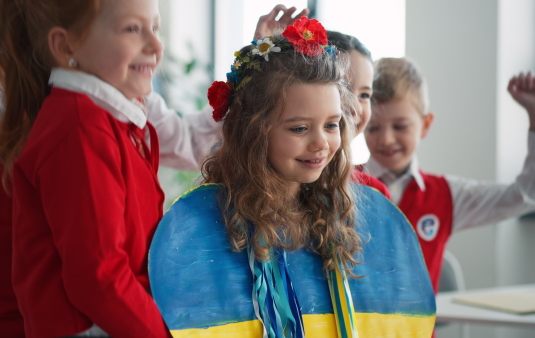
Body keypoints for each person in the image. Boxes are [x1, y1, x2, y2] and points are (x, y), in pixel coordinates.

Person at [0, 4, 306, 336]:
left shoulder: (121, 93)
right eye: (133, 28)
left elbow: (191, 140)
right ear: (63, 44)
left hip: (102, 316)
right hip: (22, 314)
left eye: (154, 28)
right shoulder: (26, 94)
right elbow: (99, 277)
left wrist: (251, 71)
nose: (156, 46)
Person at [149, 18, 436, 337]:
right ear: (254, 132)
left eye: (331, 125)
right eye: (299, 128)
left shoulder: (354, 215)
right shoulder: (205, 227)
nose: (321, 144)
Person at [363, 57, 535, 292]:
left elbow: (525, 196)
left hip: (421, 330)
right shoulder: (342, 184)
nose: (386, 139)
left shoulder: (446, 194)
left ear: (425, 125)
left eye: (400, 126)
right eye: (373, 127)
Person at [326, 31, 390, 198]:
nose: (355, 107)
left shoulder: (375, 193)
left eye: (364, 95)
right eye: (342, 89)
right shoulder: (277, 185)